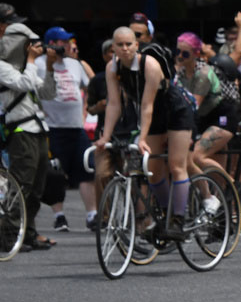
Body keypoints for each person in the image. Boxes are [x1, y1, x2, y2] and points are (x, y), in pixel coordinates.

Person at [97, 26, 196, 239]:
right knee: (153, 172)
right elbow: (114, 104)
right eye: (119, 45)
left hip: (175, 108)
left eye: (128, 44)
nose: (124, 49)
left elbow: (147, 105)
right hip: (152, 113)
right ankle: (164, 214)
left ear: (136, 45)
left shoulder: (149, 64)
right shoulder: (111, 68)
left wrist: (141, 138)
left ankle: (177, 219)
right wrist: (105, 136)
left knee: (176, 164)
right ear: (113, 47)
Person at [0, 19, 54, 250]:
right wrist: (32, 61)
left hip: (38, 131)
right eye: (28, 44)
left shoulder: (28, 68)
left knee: (38, 186)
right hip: (21, 132)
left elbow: (49, 93)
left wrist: (50, 66)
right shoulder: (3, 67)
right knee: (21, 184)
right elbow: (24, 84)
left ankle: (28, 231)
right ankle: (8, 235)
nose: (33, 48)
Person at [36, 25, 95, 232]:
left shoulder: (75, 64)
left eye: (69, 41)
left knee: (87, 169)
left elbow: (90, 87)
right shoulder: (39, 64)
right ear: (51, 44)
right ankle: (59, 215)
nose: (68, 45)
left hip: (76, 126)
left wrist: (86, 109)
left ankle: (92, 215)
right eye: (63, 42)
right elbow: (39, 93)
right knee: (56, 173)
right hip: (53, 126)